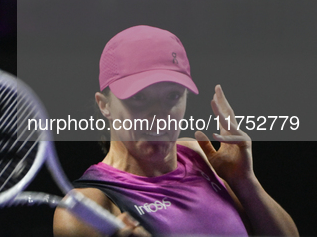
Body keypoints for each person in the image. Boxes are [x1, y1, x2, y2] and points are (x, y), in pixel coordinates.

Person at [53, 25, 298, 237]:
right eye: (139, 97)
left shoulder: (199, 156)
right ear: (104, 105)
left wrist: (244, 182)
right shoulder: (86, 209)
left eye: (172, 96)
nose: (159, 114)